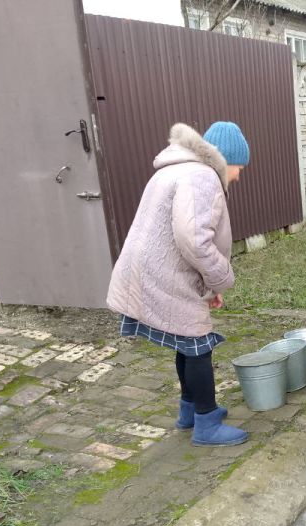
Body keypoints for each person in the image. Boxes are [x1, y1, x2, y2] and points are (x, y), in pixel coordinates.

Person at [107, 121, 250, 447]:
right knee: (199, 345)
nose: (239, 176)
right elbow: (195, 241)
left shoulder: (174, 170)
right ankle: (207, 423)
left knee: (186, 343)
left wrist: (208, 288)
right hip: (164, 274)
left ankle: (190, 412)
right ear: (225, 160)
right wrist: (221, 278)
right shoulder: (203, 177)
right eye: (240, 167)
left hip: (152, 270)